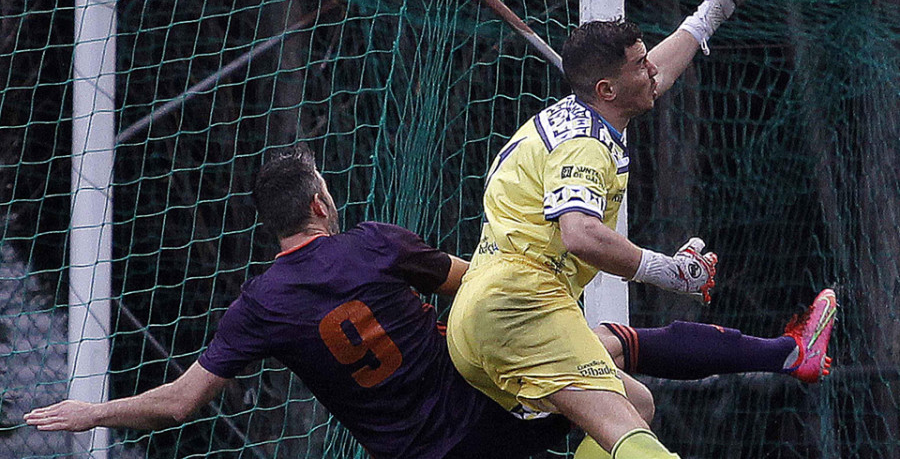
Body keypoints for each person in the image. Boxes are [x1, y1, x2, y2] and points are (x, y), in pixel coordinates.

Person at [24, 144, 836, 458]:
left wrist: (90, 412)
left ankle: (785, 351)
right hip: (479, 408)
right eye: (327, 188)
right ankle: (783, 353)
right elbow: (475, 287)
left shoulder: (259, 305)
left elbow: (179, 403)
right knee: (626, 382)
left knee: (615, 366)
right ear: (318, 204)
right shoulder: (373, 244)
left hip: (415, 454)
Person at [444, 0, 787, 459]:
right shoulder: (586, 144)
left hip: (483, 313)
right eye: (638, 65)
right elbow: (579, 234)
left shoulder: (581, 114)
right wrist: (667, 272)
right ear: (607, 89)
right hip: (523, 306)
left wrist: (711, 12)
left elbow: (657, 75)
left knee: (636, 404)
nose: (651, 70)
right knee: (636, 441)